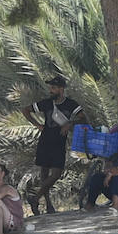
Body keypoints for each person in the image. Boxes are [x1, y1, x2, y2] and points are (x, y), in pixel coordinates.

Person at [25, 75, 85, 214]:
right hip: (45, 141)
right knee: (44, 174)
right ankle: (48, 205)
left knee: (56, 174)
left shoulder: (71, 104)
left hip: (59, 143)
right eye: (50, 88)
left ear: (61, 89)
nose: (51, 90)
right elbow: (25, 110)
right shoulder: (46, 103)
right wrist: (37, 124)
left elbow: (83, 118)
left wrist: (70, 124)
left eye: (53, 88)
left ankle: (35, 197)